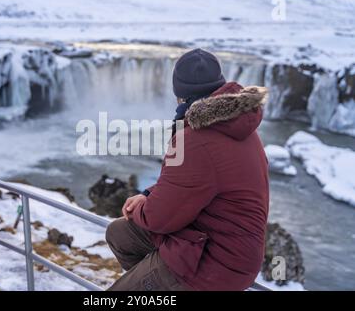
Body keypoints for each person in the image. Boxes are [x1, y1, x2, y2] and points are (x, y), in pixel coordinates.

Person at [106, 48, 269, 291]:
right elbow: (190, 182)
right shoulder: (236, 124)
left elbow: (158, 218)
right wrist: (148, 195)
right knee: (120, 233)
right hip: (219, 245)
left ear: (181, 95)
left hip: (215, 264)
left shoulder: (197, 138)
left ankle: (166, 282)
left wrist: (141, 206)